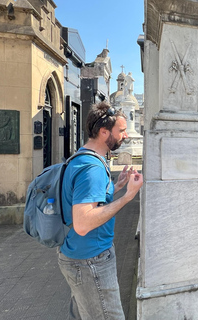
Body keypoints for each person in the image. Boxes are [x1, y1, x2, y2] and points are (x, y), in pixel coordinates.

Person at [58, 101, 143, 319]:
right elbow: (83, 222)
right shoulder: (92, 168)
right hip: (91, 261)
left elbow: (88, 201)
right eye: (121, 130)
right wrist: (128, 197)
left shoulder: (84, 157)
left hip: (81, 256)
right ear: (104, 132)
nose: (125, 135)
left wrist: (116, 188)